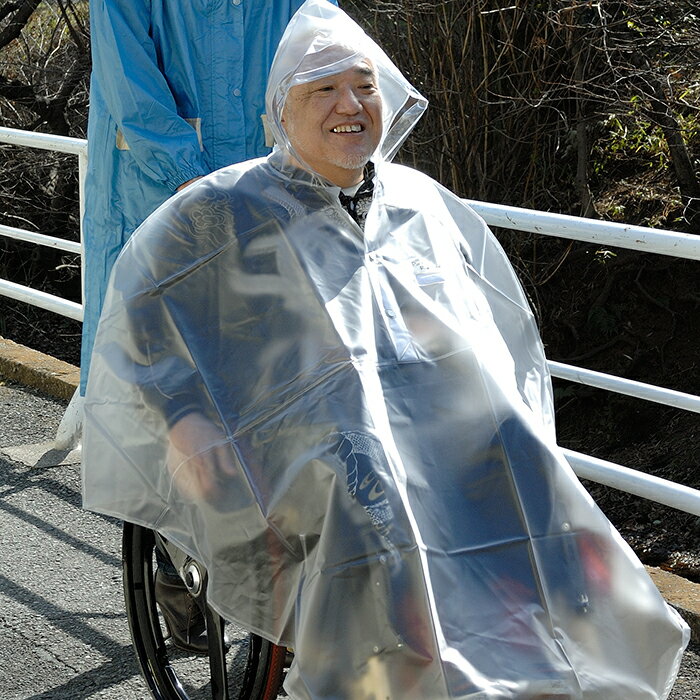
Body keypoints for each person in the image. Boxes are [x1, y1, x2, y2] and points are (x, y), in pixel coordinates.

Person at [82, 1, 689, 697]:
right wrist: (185, 418)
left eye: (365, 87)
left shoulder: (419, 203)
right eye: (324, 91)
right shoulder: (219, 211)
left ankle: (549, 658)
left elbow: (479, 318)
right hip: (293, 431)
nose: (350, 105)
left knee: (526, 462)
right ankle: (385, 677)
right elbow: (145, 323)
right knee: (375, 505)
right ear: (281, 109)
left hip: (426, 418)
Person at [75, 0, 337, 652]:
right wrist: (206, 192)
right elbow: (135, 102)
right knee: (170, 400)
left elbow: (330, 59)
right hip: (156, 212)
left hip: (266, 216)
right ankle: (171, 552)